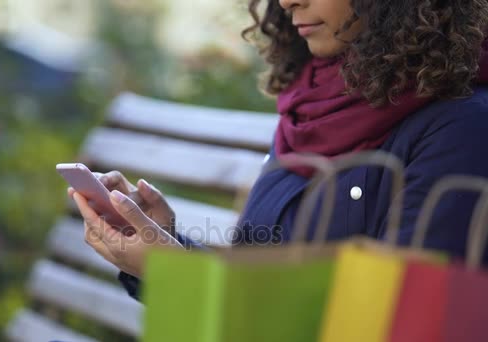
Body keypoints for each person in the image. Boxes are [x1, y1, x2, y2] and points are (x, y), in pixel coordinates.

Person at [69, 0, 488, 300]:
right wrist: (167, 246)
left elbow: (400, 324)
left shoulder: (461, 128)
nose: (288, 2)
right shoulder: (311, 106)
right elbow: (256, 283)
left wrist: (177, 276)